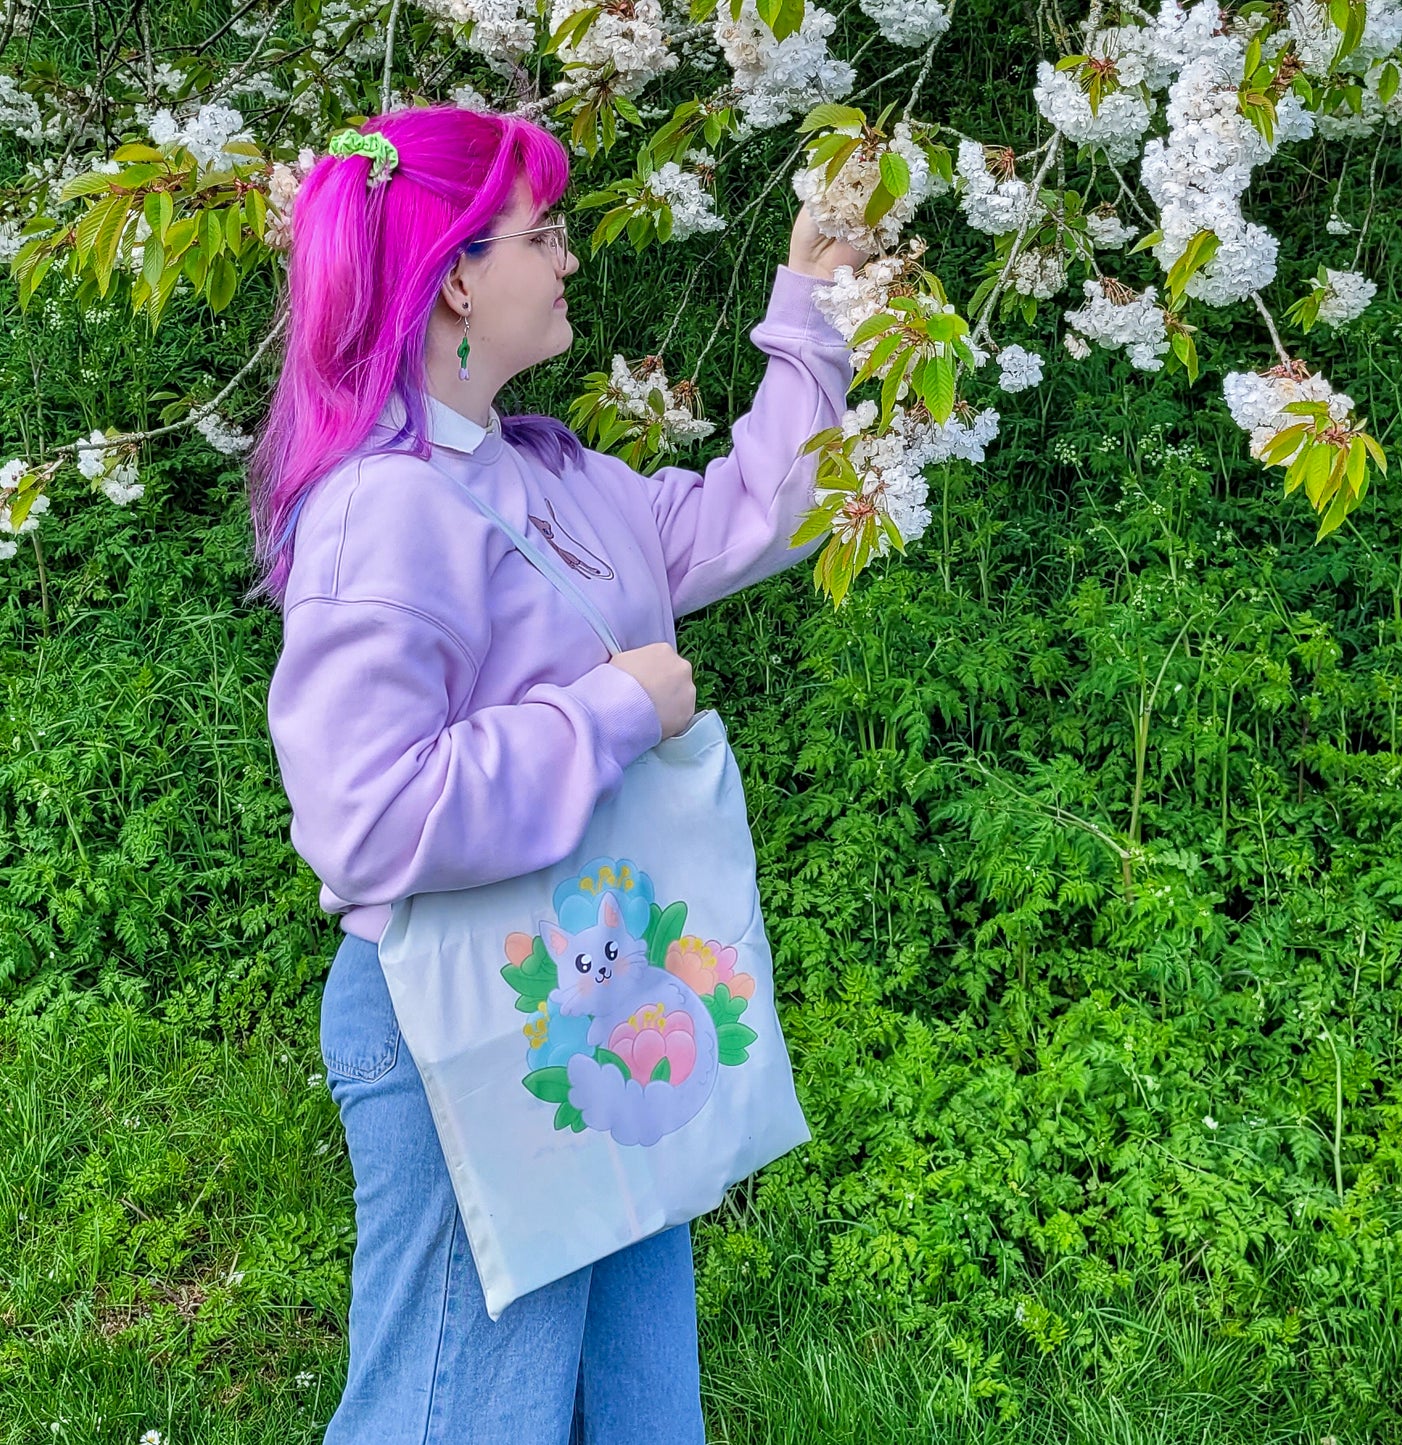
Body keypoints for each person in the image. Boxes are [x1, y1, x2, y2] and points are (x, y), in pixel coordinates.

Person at [250, 104, 864, 1443]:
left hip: (599, 999)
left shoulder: (555, 478)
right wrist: (608, 712)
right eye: (545, 234)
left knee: (636, 1401)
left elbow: (768, 507)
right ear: (459, 273)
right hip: (461, 1020)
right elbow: (365, 817)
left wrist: (812, 289)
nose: (571, 260)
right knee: (461, 1407)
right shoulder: (380, 508)